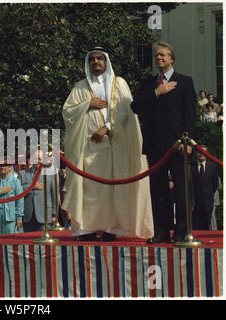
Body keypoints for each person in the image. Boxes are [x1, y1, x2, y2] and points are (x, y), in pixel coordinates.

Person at [62, 46, 153, 242]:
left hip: (114, 147)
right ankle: (86, 229)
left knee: (113, 189)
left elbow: (127, 112)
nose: (95, 62)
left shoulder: (119, 84)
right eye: (92, 59)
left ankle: (112, 228)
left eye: (99, 59)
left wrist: (109, 128)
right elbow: (67, 113)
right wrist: (87, 104)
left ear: (106, 62)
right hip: (88, 149)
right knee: (89, 189)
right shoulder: (80, 87)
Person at [131, 41, 197, 243]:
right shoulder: (149, 83)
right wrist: (157, 93)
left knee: (181, 190)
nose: (159, 58)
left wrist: (188, 141)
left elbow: (190, 114)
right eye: (156, 56)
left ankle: (182, 231)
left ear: (172, 58)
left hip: (178, 144)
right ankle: (160, 231)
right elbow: (135, 106)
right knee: (157, 190)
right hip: (155, 145)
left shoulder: (184, 82)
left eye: (163, 55)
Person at [19, 150, 56, 232]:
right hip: (27, 215)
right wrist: (32, 186)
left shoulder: (50, 174)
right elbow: (18, 191)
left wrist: (54, 214)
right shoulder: (22, 173)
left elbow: (54, 194)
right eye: (35, 158)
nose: (37, 161)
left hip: (45, 215)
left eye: (39, 159)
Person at [0, 165, 24, 235]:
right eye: (1, 165)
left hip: (10, 219)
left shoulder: (16, 182)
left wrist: (19, 217)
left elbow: (20, 201)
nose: (2, 167)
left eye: (5, 165)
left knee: (10, 242)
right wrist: (0, 192)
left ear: (10, 167)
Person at [191, 146, 220, 230]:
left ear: (207, 154)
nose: (201, 154)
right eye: (199, 152)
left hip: (208, 200)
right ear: (196, 154)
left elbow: (215, 183)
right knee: (196, 224)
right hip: (195, 201)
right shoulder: (191, 166)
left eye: (203, 152)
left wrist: (209, 193)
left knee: (207, 224)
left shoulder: (213, 167)